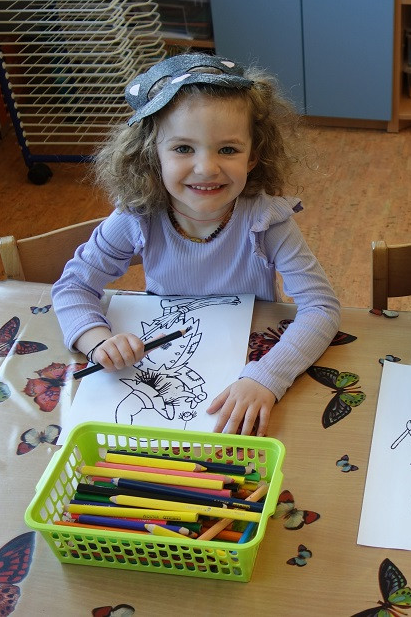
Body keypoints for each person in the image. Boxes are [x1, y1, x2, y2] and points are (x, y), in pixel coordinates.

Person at [53, 53, 340, 436]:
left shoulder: (267, 221)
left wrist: (268, 377)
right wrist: (97, 340)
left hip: (248, 370)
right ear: (152, 153)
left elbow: (321, 307)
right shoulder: (137, 217)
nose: (206, 168)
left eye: (228, 149)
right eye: (183, 148)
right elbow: (73, 286)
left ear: (253, 157)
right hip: (161, 369)